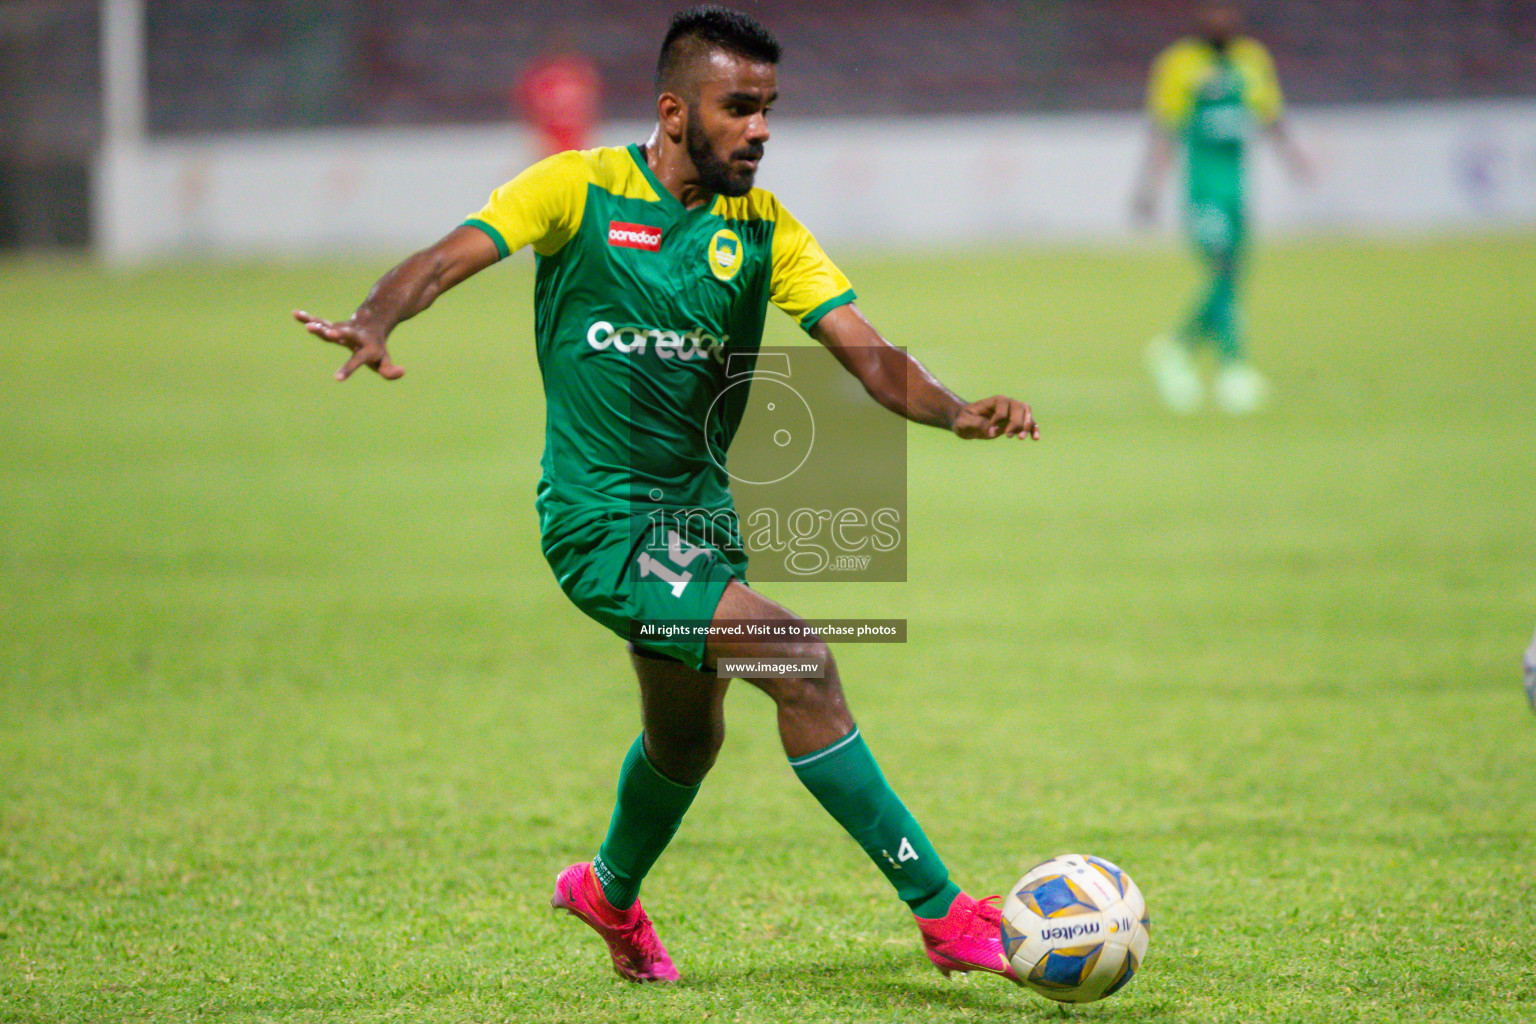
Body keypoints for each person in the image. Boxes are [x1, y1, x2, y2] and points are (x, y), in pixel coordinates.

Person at [292, 5, 1037, 987]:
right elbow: (445, 259)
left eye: (770, 109)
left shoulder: (763, 230)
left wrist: (951, 411)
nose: (762, 130)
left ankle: (606, 890)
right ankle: (945, 914)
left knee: (686, 740)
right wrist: (376, 316)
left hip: (699, 526)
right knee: (802, 662)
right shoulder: (580, 188)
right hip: (602, 524)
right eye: (741, 108)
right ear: (675, 111)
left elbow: (866, 352)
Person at [1131, 0, 1312, 415]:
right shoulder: (1179, 64)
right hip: (1202, 190)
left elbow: (1269, 114)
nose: (1221, 18)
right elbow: (1165, 129)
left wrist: (1294, 158)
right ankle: (1233, 368)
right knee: (1221, 268)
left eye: (1228, 11)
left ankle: (1177, 347)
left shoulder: (1252, 59)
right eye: (1213, 11)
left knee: (1234, 274)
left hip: (1236, 191)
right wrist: (1149, 188)